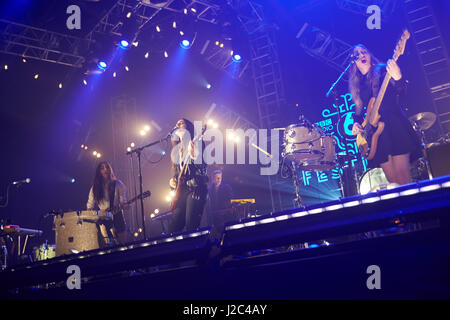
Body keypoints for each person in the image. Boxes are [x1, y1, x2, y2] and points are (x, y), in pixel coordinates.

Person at [350, 44, 420, 185]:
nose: (361, 55)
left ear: (370, 56)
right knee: (392, 180)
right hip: (377, 134)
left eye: (364, 51)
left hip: (394, 124)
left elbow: (401, 91)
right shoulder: (357, 84)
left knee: (402, 176)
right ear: (354, 62)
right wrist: (356, 124)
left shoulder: (382, 70)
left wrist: (398, 77)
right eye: (357, 54)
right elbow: (359, 111)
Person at [168, 118, 208, 234]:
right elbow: (176, 172)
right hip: (182, 190)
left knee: (191, 226)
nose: (178, 124)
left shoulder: (197, 143)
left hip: (195, 188)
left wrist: (194, 155)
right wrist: (172, 181)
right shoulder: (177, 150)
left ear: (188, 127)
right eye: (177, 123)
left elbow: (203, 167)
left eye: (181, 123)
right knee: (173, 227)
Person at [87, 161, 128, 245]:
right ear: (99, 172)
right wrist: (100, 212)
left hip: (117, 215)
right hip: (103, 218)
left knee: (122, 243)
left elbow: (123, 201)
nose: (105, 169)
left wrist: (125, 205)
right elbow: (89, 208)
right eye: (102, 168)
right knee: (108, 244)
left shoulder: (118, 184)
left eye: (107, 167)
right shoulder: (95, 187)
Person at [207, 170, 234, 239]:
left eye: (220, 177)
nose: (219, 179)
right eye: (217, 178)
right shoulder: (209, 189)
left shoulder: (226, 187)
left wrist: (224, 209)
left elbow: (230, 199)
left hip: (224, 215)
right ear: (213, 178)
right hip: (212, 215)